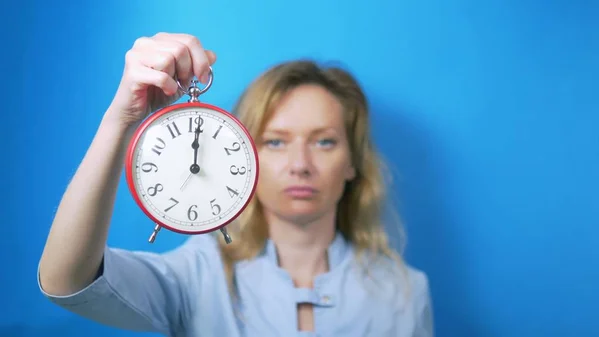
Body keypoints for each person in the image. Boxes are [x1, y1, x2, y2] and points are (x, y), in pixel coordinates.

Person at [37, 32, 434, 337]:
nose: (300, 165)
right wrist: (122, 120)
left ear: (352, 162)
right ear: (244, 160)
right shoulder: (197, 274)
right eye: (275, 141)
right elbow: (67, 281)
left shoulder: (406, 294)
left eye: (324, 141)